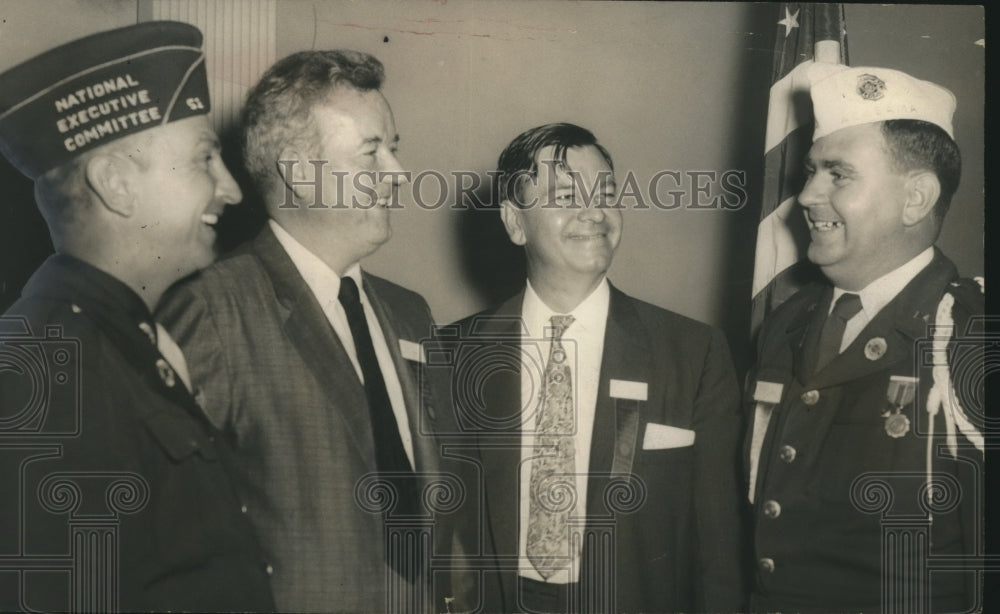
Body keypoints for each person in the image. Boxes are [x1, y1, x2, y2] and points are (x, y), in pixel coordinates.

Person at [158, 49, 452, 612]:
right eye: (372, 153)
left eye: (395, 148)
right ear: (298, 171)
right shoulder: (213, 312)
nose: (397, 174)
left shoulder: (410, 314)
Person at [0, 21, 274, 612]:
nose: (230, 189)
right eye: (206, 158)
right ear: (117, 184)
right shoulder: (49, 371)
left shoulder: (119, 342)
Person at [434, 123, 746, 613]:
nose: (593, 210)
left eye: (605, 191)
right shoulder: (452, 355)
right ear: (515, 222)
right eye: (564, 194)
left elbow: (719, 550)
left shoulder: (693, 351)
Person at [745, 65, 984, 613]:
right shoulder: (788, 324)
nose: (806, 195)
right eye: (810, 171)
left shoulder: (970, 336)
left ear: (916, 198)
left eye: (837, 174)